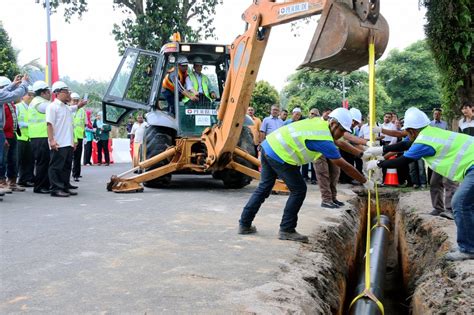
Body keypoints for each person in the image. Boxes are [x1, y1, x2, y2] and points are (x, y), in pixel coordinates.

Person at [238, 108, 374, 243]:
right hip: (281, 155)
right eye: (342, 130)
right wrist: (365, 181)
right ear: (333, 124)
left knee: (264, 188)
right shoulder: (322, 138)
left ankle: (244, 223)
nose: (342, 134)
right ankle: (287, 229)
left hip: (269, 146)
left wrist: (361, 154)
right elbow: (344, 165)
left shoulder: (320, 125)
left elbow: (339, 142)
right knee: (299, 190)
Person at [365, 107, 473, 261]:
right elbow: (404, 145)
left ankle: (468, 248)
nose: (407, 136)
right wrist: (380, 149)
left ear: (412, 131)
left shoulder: (424, 142)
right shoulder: (430, 133)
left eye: (407, 132)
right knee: (467, 205)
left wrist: (378, 164)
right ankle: (469, 244)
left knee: (460, 203)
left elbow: (403, 160)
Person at [46, 81, 87, 197]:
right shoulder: (52, 107)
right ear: (57, 93)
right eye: (66, 92)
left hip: (67, 143)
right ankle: (55, 188)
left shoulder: (66, 108)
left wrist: (80, 105)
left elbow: (75, 107)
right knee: (56, 166)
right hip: (58, 142)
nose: (69, 94)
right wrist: (51, 140)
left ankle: (64, 186)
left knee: (66, 166)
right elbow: (49, 124)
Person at [427, 108, 457, 219]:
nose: (437, 115)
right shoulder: (429, 125)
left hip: (449, 157)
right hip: (438, 157)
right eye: (435, 113)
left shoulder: (446, 124)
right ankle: (438, 208)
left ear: (441, 115)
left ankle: (450, 210)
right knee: (434, 182)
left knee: (450, 184)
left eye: (439, 114)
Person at [1, 76, 26, 193]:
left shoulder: (9, 103)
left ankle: (12, 182)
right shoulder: (3, 101)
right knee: (3, 160)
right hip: (5, 135)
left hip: (12, 134)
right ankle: (2, 183)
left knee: (13, 160)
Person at [29, 80, 52, 194]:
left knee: (44, 162)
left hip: (40, 136)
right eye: (48, 92)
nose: (50, 94)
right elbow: (53, 108)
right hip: (40, 137)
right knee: (43, 162)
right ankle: (40, 187)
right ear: (43, 93)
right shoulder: (39, 102)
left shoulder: (37, 101)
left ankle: (44, 185)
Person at [15, 85, 35, 187]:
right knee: (19, 160)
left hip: (30, 137)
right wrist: (27, 125)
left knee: (29, 160)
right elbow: (16, 122)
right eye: (29, 95)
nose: (31, 97)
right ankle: (13, 180)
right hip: (20, 137)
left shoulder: (32, 108)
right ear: (22, 96)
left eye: (32, 95)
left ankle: (26, 180)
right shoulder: (18, 107)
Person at [70, 92, 86, 181]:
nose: (75, 102)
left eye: (77, 101)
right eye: (74, 100)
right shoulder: (68, 109)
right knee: (69, 157)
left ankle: (76, 174)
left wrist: (85, 136)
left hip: (79, 136)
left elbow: (84, 124)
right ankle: (68, 174)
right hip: (70, 136)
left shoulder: (82, 111)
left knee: (77, 156)